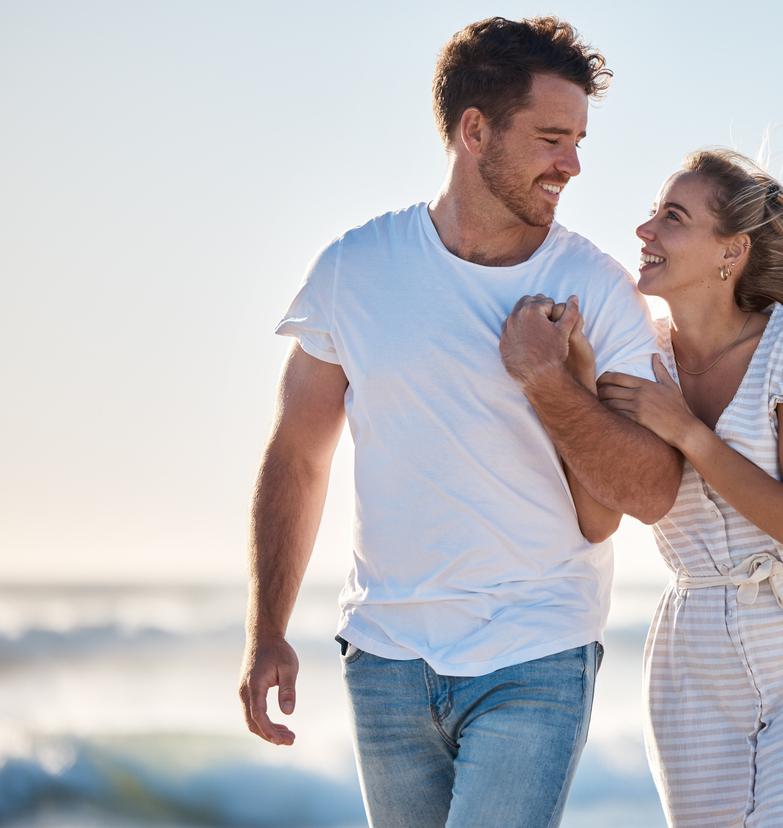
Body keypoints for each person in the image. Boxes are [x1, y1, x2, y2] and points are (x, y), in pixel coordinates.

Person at [236, 16, 681, 828]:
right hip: (385, 656)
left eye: (579, 140)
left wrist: (548, 382)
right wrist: (266, 630)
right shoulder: (355, 268)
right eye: (551, 137)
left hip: (536, 651)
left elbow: (649, 492)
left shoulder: (596, 284)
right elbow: (298, 456)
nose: (572, 164)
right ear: (474, 131)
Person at [585, 149, 783, 826]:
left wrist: (686, 431)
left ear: (729, 252)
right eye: (652, 214)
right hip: (692, 658)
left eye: (671, 218)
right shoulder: (631, 354)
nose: (644, 230)